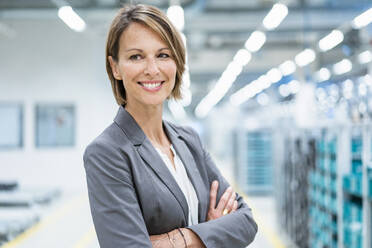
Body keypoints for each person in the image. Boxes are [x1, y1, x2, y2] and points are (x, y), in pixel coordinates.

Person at [83, 4, 258, 248]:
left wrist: (181, 239)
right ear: (115, 67)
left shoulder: (189, 140)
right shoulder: (107, 152)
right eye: (136, 56)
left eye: (163, 55)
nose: (152, 69)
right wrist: (211, 233)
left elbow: (246, 221)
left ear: (176, 62)